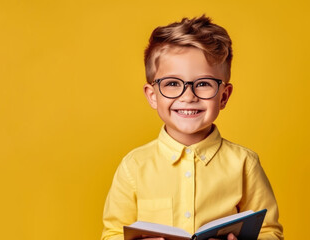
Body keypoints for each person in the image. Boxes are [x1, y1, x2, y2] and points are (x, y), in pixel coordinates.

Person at [101, 15, 283, 240]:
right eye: (172, 83)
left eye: (204, 83)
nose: (188, 96)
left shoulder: (245, 164)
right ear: (152, 96)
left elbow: (270, 232)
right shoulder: (133, 167)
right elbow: (112, 234)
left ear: (224, 96)